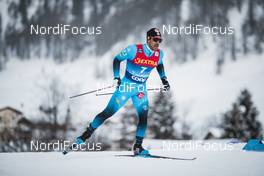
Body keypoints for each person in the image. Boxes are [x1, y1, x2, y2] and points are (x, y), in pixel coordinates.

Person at [76, 28, 170, 155]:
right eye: (155, 40)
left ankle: (138, 147)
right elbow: (117, 59)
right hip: (126, 87)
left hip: (140, 89)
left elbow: (159, 64)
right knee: (108, 112)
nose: (158, 43)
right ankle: (84, 136)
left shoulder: (159, 54)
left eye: (160, 40)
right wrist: (116, 77)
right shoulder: (134, 49)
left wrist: (164, 79)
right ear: (148, 39)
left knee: (143, 117)